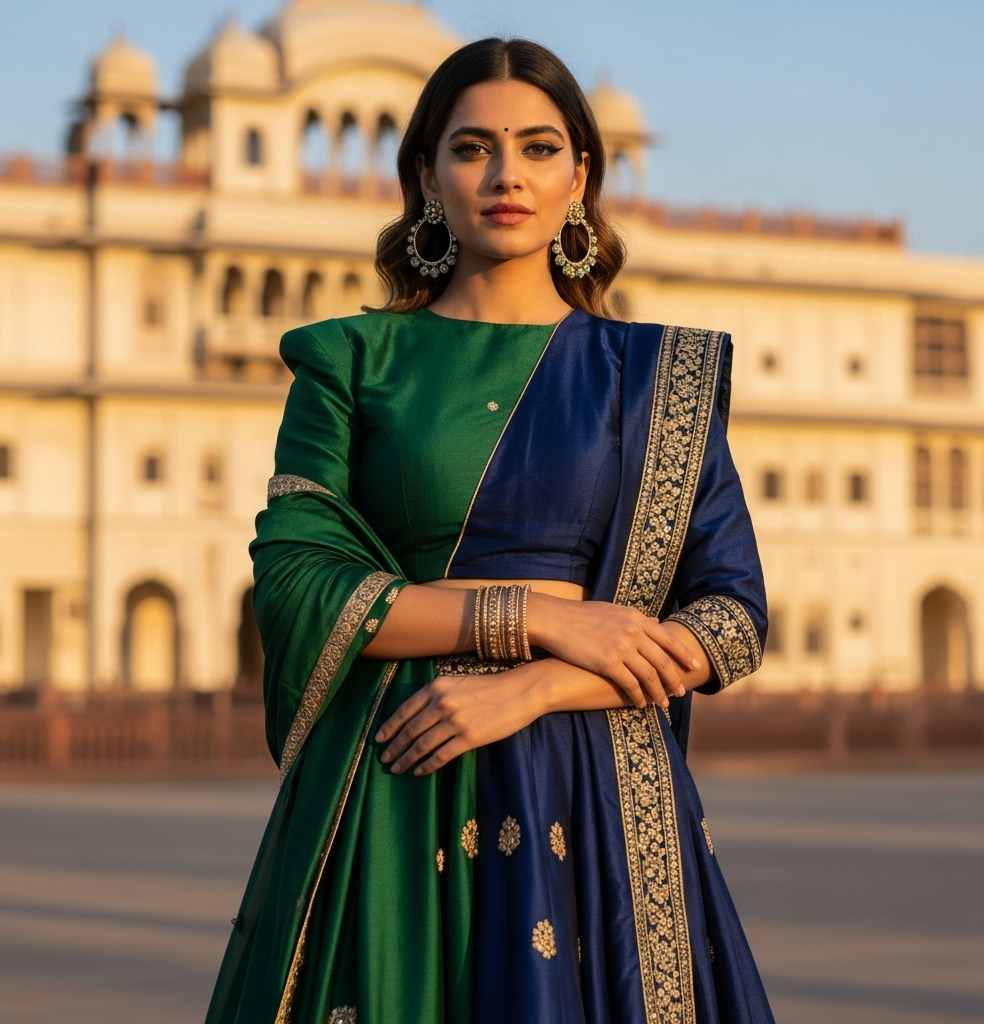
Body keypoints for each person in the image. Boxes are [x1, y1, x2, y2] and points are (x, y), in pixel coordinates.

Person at [206, 37, 774, 1024]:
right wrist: (542, 619)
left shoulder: (652, 378)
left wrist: (536, 685)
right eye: (472, 148)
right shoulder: (353, 361)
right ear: (427, 175)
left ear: (579, 176)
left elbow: (730, 620)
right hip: (403, 779)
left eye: (538, 148)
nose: (507, 174)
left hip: (595, 787)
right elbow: (298, 585)